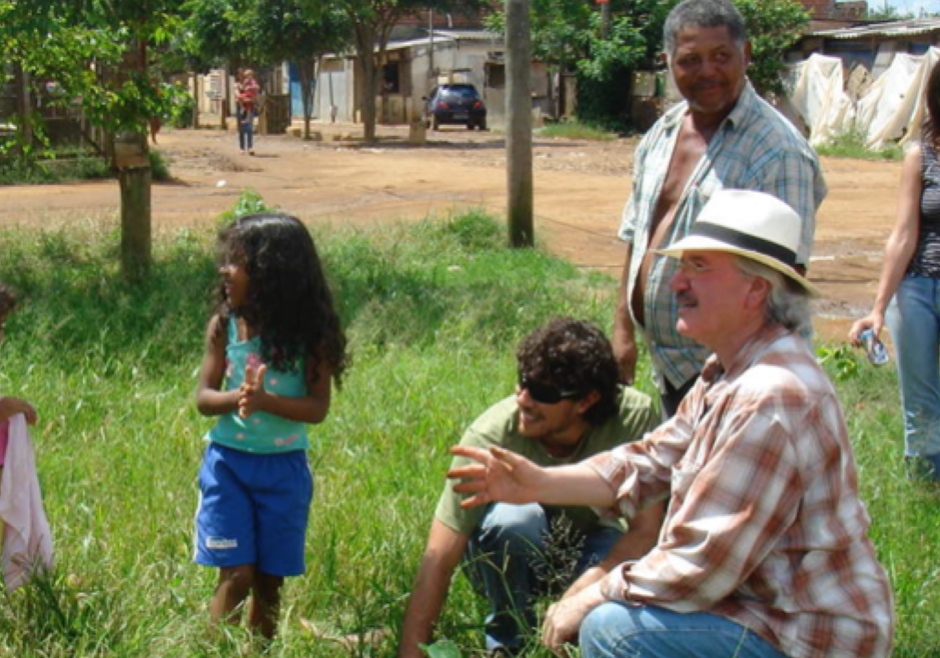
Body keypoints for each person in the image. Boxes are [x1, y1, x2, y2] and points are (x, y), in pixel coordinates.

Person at [450, 190, 894, 658]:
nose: (677, 282)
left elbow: (702, 565)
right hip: (761, 614)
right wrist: (537, 483)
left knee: (612, 629)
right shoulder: (729, 371)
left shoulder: (770, 396)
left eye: (699, 266)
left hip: (806, 638)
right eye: (682, 266)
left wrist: (592, 593)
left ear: (756, 290)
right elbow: (649, 462)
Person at [398, 318, 664, 658]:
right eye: (522, 382)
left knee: (626, 576)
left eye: (542, 393)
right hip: (504, 553)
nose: (523, 399)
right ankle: (508, 643)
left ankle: (571, 640)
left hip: (589, 544)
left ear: (586, 401)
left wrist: (582, 595)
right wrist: (411, 652)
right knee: (514, 522)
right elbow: (439, 556)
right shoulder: (490, 439)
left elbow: (646, 531)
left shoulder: (633, 419)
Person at [613, 0, 827, 417]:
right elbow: (636, 235)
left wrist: (730, 379)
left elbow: (783, 279)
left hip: (739, 376)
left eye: (721, 56)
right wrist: (623, 328)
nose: (707, 71)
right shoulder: (662, 134)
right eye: (690, 60)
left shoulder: (777, 150)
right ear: (668, 63)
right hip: (674, 369)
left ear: (745, 55)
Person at [194, 213, 349, 638]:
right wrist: (239, 397)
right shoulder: (225, 326)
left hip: (284, 472)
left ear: (270, 272)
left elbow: (317, 408)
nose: (224, 270)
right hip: (227, 467)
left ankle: (259, 648)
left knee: (268, 580)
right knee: (237, 574)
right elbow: (204, 399)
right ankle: (216, 650)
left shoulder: (311, 335)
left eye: (236, 261)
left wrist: (266, 401)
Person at [849, 62, 940, 483]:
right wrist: (878, 308)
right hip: (917, 289)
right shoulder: (921, 156)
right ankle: (924, 491)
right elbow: (903, 234)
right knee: (920, 402)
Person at [236, 69, 260, 155]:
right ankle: (242, 148)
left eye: (249, 75)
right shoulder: (238, 85)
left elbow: (256, 92)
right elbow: (237, 96)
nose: (246, 77)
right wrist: (244, 99)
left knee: (249, 128)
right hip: (242, 107)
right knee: (241, 129)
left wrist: (251, 93)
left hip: (250, 106)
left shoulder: (252, 83)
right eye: (245, 76)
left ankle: (250, 147)